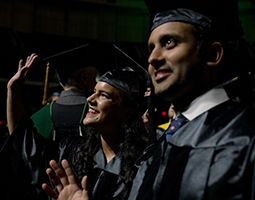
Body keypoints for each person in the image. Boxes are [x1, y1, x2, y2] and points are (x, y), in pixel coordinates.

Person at [1, 46, 150, 200]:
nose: (90, 99)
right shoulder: (74, 151)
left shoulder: (145, 163)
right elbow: (24, 141)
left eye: (103, 95)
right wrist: (13, 90)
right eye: (93, 92)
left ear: (128, 112)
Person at [29, 44, 100, 141]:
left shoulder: (37, 118)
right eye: (95, 79)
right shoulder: (101, 114)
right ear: (84, 78)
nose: (96, 84)